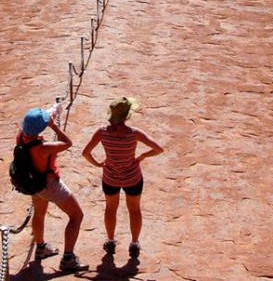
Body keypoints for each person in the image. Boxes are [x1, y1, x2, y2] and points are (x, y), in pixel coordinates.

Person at [81, 97, 164, 258]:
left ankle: (110, 241)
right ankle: (134, 243)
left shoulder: (102, 132)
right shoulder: (134, 133)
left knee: (111, 208)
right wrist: (142, 156)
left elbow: (85, 153)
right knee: (134, 209)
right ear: (127, 116)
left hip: (110, 177)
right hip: (132, 177)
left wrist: (98, 164)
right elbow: (158, 149)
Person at [18, 107, 88, 272]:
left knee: (39, 214)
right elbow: (68, 143)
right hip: (49, 185)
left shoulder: (21, 136)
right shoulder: (43, 148)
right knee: (77, 216)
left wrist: (53, 111)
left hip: (33, 182)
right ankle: (68, 259)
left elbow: (37, 120)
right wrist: (54, 127)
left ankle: (41, 247)